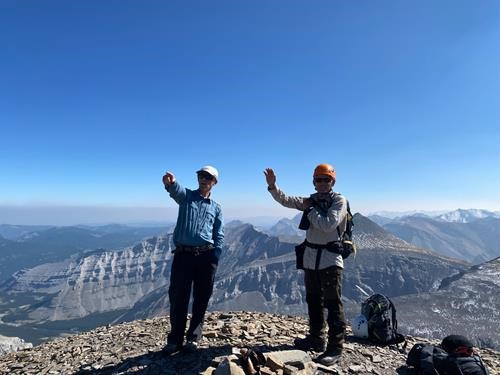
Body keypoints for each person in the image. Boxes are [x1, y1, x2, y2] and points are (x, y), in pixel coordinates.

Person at [264, 163, 348, 366]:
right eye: (318, 179)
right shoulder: (312, 200)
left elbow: (328, 224)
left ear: (332, 181)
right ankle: (316, 338)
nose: (321, 183)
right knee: (313, 299)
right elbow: (287, 200)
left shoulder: (339, 200)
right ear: (314, 181)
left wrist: (309, 210)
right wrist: (273, 187)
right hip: (311, 257)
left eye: (325, 179)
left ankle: (335, 348)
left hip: (329, 258)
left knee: (333, 304)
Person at [162, 165, 224, 355]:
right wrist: (171, 184)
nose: (203, 179)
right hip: (183, 255)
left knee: (201, 299)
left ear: (214, 182)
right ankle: (175, 340)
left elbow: (218, 233)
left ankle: (193, 338)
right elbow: (177, 191)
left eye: (208, 177)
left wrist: (216, 254)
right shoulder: (187, 196)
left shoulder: (216, 208)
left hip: (206, 257)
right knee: (178, 298)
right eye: (201, 175)